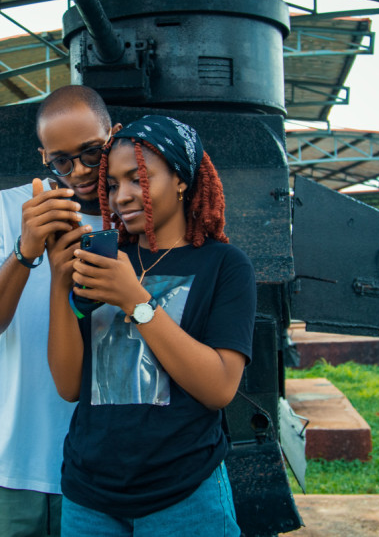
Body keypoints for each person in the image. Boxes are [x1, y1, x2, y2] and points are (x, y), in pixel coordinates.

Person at [46, 115, 256, 536]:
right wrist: (58, 280)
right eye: (112, 185)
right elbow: (70, 386)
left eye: (138, 178)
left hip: (183, 496)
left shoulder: (223, 265)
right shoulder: (105, 259)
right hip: (90, 498)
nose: (122, 196)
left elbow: (219, 388)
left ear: (180, 179)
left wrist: (137, 301)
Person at [0, 85, 121, 537]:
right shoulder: (7, 210)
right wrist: (27, 250)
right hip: (4, 463)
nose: (79, 172)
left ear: (114, 136)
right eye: (61, 161)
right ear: (43, 155)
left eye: (92, 153)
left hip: (102, 472)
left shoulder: (139, 218)